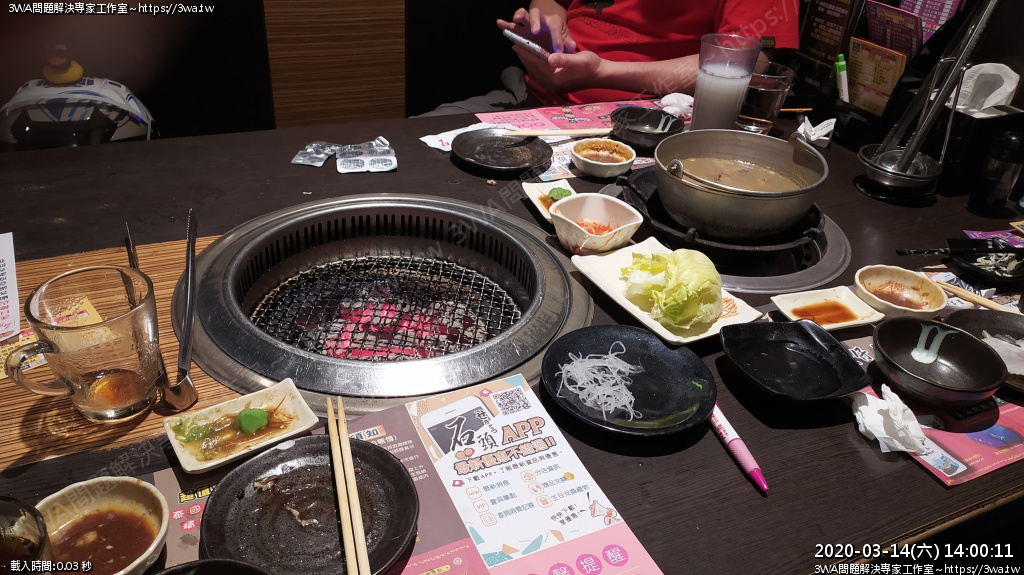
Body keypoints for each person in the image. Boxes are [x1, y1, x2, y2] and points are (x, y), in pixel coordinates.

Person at [497, 0, 800, 106]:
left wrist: (601, 73)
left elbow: (745, 60)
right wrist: (550, 23)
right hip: (532, 97)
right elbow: (551, 1)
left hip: (636, 121)